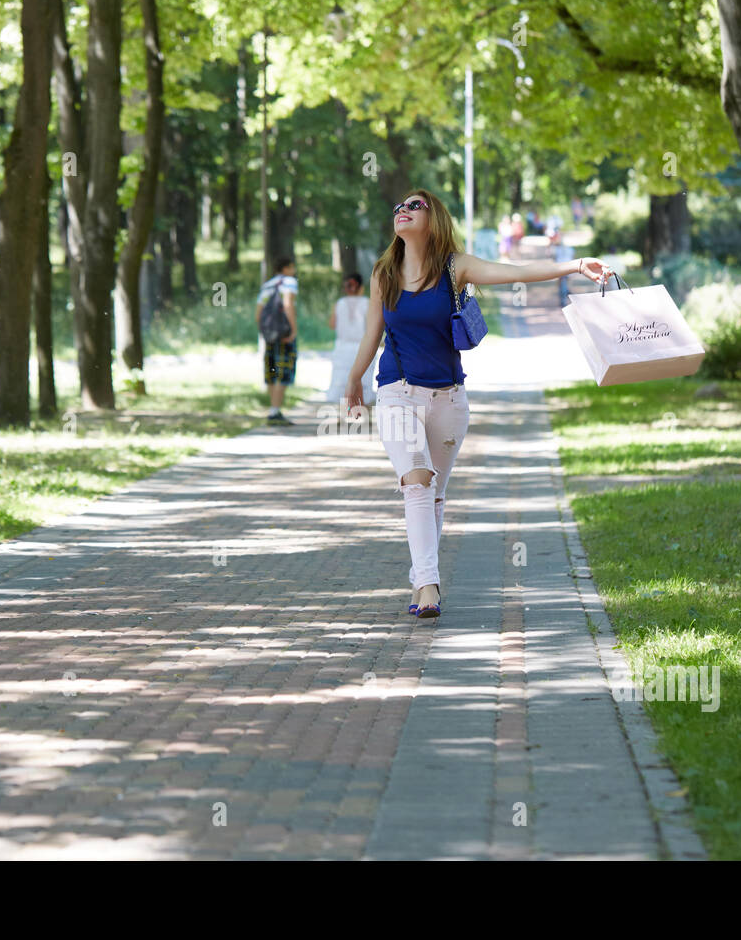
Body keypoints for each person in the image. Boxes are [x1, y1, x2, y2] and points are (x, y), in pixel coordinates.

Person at [342, 188, 611, 619]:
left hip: (449, 398)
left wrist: (575, 265)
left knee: (431, 495)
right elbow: (371, 334)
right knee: (416, 481)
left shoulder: (455, 267)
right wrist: (354, 377)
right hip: (397, 392)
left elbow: (514, 271)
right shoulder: (383, 273)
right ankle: (428, 586)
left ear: (435, 219)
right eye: (399, 207)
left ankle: (422, 577)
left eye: (415, 206)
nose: (403, 211)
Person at [255, 256, 299, 426]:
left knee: (271, 371)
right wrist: (293, 329)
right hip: (284, 335)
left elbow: (258, 314)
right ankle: (275, 410)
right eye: (292, 267)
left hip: (270, 335)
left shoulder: (268, 285)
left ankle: (273, 409)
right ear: (286, 267)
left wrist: (265, 332)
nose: (294, 271)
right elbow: (288, 304)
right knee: (284, 370)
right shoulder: (289, 282)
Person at [326, 272, 373, 404]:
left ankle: (341, 414)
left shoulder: (339, 303)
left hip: (342, 347)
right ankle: (364, 413)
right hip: (362, 347)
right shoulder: (367, 303)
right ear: (361, 287)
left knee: (341, 380)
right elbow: (371, 326)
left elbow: (332, 324)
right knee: (364, 380)